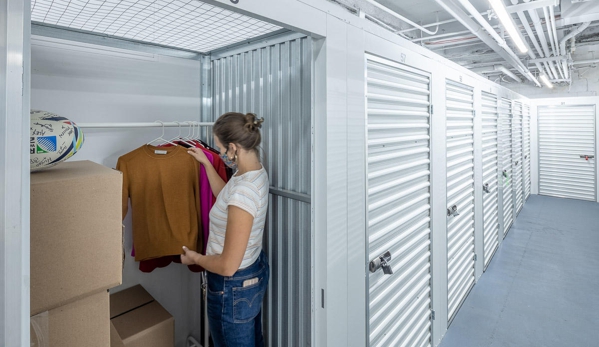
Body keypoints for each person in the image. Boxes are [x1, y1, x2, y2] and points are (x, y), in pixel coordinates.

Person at [181, 112, 269, 347]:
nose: (220, 154)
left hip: (233, 285)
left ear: (233, 148)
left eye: (220, 149)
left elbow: (228, 265)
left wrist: (195, 258)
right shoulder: (251, 172)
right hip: (251, 272)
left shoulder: (244, 191)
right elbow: (225, 197)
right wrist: (207, 164)